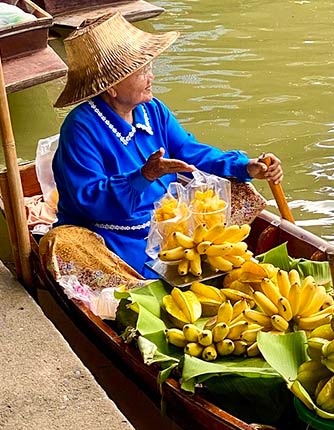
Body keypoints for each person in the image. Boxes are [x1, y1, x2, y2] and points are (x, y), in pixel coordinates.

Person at [51, 12, 282, 277]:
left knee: (239, 190)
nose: (151, 78)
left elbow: (189, 152)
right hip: (110, 235)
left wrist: (246, 166)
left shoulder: (153, 110)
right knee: (66, 246)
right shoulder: (81, 127)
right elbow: (88, 199)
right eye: (141, 72)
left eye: (149, 68)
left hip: (165, 224)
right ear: (111, 87)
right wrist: (143, 176)